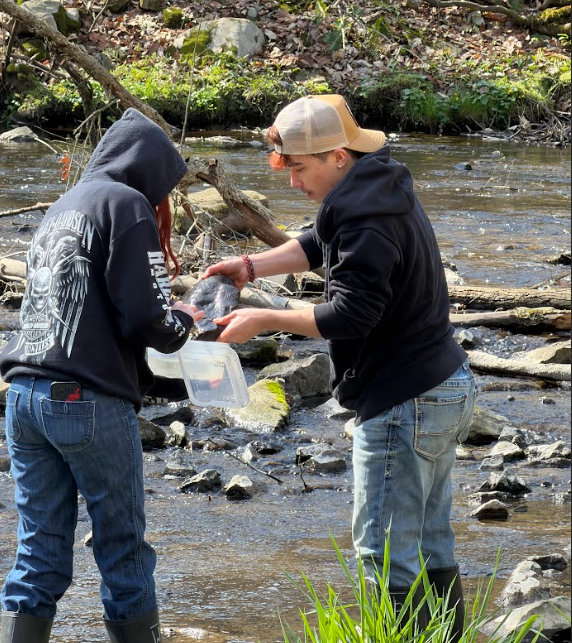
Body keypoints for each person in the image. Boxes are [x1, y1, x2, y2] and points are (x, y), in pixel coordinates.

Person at [204, 94, 477, 639]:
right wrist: (251, 265)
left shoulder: (366, 218)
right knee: (428, 541)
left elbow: (353, 314)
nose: (294, 182)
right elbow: (318, 243)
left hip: (405, 399)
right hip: (443, 383)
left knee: (383, 552)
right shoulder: (376, 188)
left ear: (337, 156)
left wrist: (264, 318)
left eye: (301, 168)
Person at [0, 108, 204, 643]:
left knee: (39, 552)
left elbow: (88, 317)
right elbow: (144, 318)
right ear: (149, 172)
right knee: (123, 550)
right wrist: (182, 323)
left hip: (23, 396)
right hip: (84, 402)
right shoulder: (128, 204)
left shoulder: (64, 206)